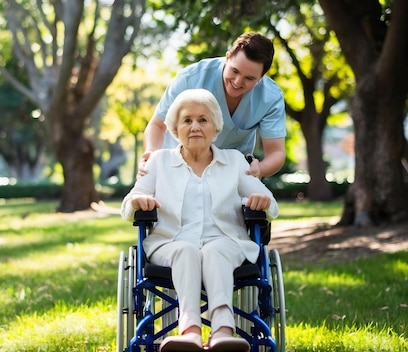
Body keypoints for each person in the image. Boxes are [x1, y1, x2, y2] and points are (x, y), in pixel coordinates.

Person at [121, 89, 279, 352]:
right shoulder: (159, 161)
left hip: (227, 243)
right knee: (187, 250)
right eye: (187, 120)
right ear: (174, 128)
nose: (195, 126)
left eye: (203, 120)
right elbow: (129, 202)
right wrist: (139, 201)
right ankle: (190, 332)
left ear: (215, 126)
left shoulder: (234, 161)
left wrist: (261, 201)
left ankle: (223, 331)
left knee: (215, 250)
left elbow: (271, 204)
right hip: (171, 244)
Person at [141, 32, 286, 179]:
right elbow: (157, 125)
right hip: (177, 167)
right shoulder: (189, 79)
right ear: (227, 57)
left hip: (230, 174)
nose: (237, 82)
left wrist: (260, 169)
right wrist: (151, 154)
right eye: (234, 71)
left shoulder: (271, 98)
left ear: (262, 76)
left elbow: (276, 152)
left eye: (249, 78)